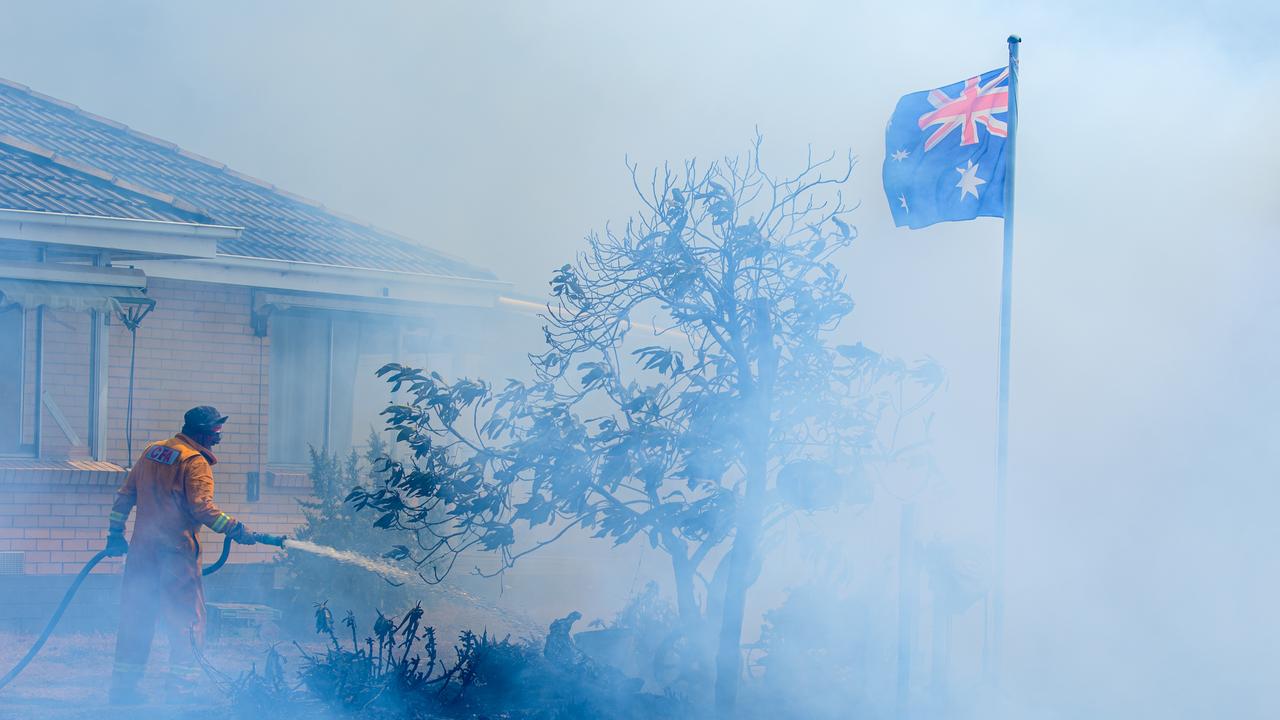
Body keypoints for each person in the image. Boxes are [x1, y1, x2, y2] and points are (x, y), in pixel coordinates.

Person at [103, 406, 256, 704]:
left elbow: (125, 496)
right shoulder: (194, 462)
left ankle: (123, 690)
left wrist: (114, 534)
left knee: (136, 618)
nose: (218, 438)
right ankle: (181, 695)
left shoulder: (152, 451)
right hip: (176, 555)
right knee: (187, 621)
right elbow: (202, 508)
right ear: (201, 432)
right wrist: (236, 529)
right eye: (216, 432)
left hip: (141, 553)